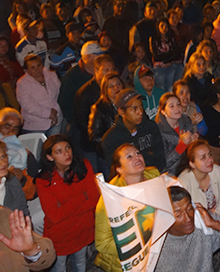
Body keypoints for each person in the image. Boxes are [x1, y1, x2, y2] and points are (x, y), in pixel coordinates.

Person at [154, 186, 220, 272]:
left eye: (189, 208)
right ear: (165, 218)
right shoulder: (156, 248)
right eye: (178, 215)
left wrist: (214, 224)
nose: (188, 218)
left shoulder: (202, 223)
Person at [36, 134, 100, 272]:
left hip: (83, 228)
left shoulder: (84, 166)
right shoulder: (44, 181)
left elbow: (94, 199)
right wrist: (82, 197)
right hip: (61, 235)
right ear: (50, 157)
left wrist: (64, 209)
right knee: (59, 267)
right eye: (59, 151)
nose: (66, 153)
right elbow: (54, 216)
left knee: (81, 263)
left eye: (67, 148)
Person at [94, 144, 160, 272]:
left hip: (152, 256)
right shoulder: (111, 198)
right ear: (119, 169)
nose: (137, 157)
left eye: (137, 153)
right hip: (124, 264)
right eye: (129, 157)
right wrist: (140, 245)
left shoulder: (154, 175)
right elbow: (103, 243)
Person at [102, 88, 166, 172]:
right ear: (121, 112)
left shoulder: (151, 127)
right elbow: (115, 170)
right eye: (134, 109)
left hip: (154, 174)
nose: (140, 112)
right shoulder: (111, 139)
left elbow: (161, 159)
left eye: (141, 107)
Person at [177, 140, 220, 217]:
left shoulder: (217, 171)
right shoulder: (183, 183)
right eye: (203, 157)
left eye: (210, 155)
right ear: (192, 164)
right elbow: (184, 213)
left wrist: (217, 214)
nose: (210, 160)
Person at [16, 54, 63, 136]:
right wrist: (48, 113)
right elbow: (27, 105)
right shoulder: (22, 83)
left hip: (56, 121)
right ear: (27, 70)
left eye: (38, 65)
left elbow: (60, 94)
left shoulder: (52, 76)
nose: (37, 69)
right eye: (32, 67)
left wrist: (55, 111)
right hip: (35, 125)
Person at [155, 92, 197, 174]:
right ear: (163, 111)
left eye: (178, 104)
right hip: (171, 172)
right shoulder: (158, 130)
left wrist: (193, 143)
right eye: (171, 106)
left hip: (189, 166)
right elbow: (164, 163)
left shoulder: (186, 120)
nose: (177, 108)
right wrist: (182, 145)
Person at [88, 72, 125, 159]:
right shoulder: (99, 108)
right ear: (105, 90)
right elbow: (95, 137)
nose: (116, 88)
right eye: (111, 86)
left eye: (118, 84)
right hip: (111, 153)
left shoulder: (130, 102)